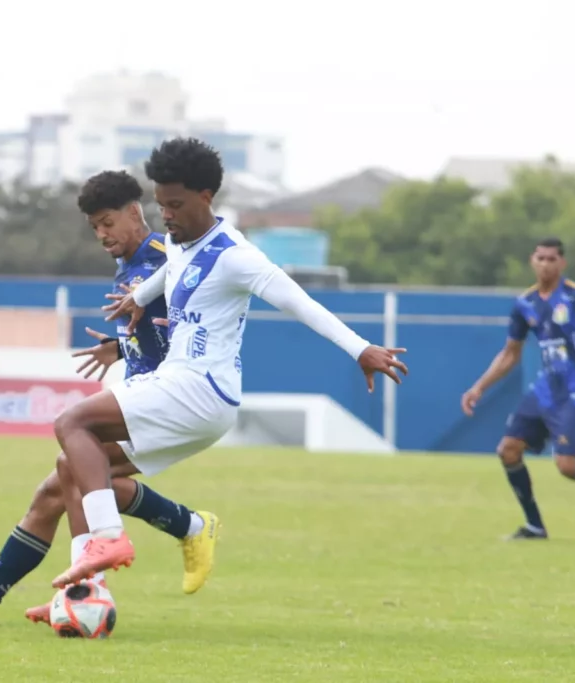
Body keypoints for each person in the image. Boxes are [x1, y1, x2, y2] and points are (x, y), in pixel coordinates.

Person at [49, 138, 408, 589]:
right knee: (75, 467)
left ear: (206, 197)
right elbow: (172, 268)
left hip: (197, 390)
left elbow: (300, 303)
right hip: (186, 391)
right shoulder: (180, 242)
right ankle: (83, 594)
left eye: (176, 205)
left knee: (71, 422)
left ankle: (108, 538)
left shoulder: (236, 257)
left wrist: (360, 349)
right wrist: (137, 299)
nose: (168, 216)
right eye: (161, 205)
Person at [0, 171, 219, 626]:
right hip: (144, 392)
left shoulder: (168, 257)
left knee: (73, 465)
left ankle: (100, 579)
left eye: (107, 223)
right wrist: (121, 345)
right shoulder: (133, 263)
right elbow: (158, 331)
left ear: (134, 212)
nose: (102, 235)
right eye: (94, 228)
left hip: (171, 399)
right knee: (62, 484)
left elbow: (195, 328)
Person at [461, 237, 575, 540]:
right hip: (544, 389)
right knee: (508, 450)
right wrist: (479, 387)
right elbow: (510, 353)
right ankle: (534, 526)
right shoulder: (525, 303)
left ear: (562, 263)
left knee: (567, 466)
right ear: (532, 260)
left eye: (551, 259)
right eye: (540, 258)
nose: (545, 264)